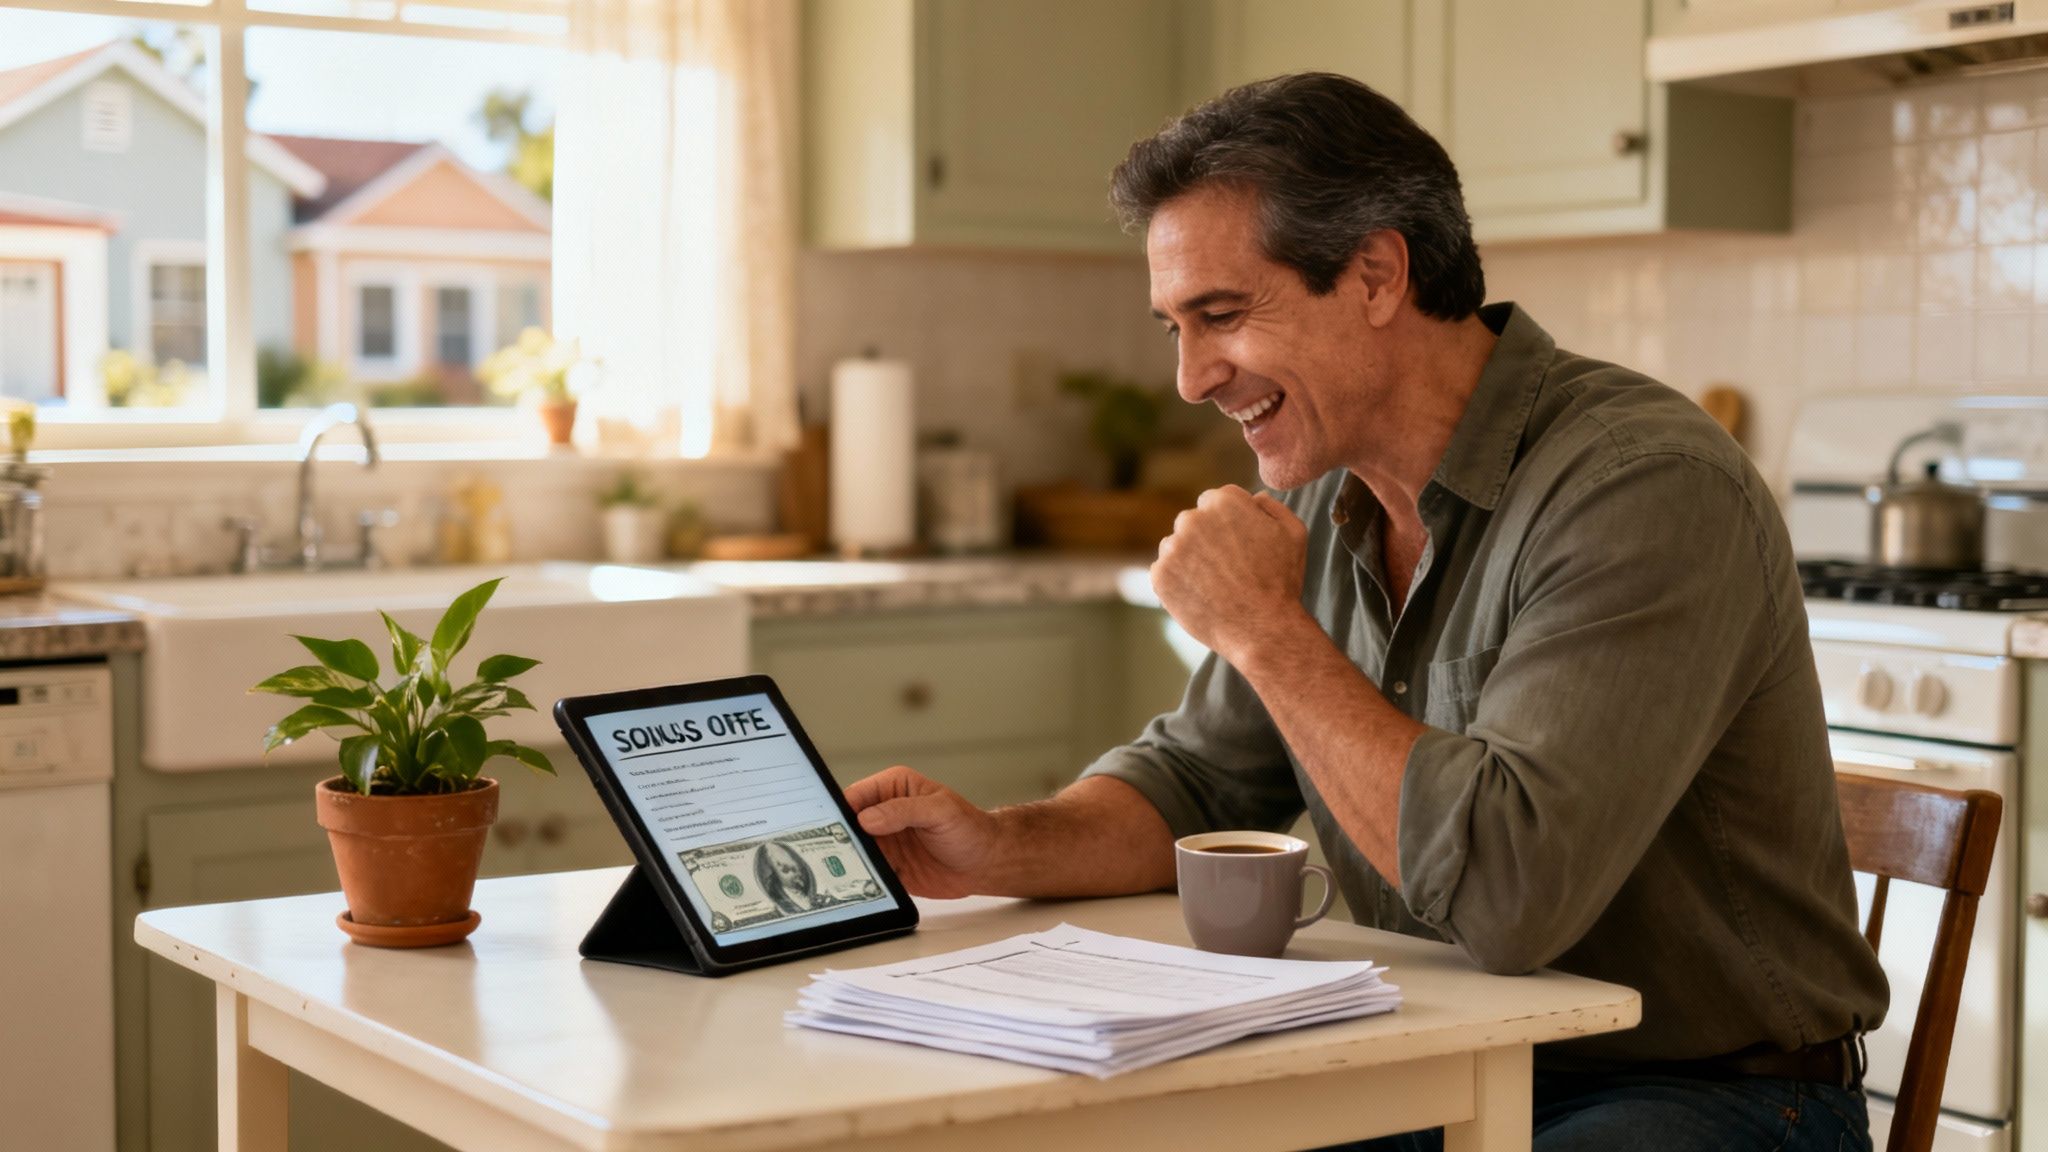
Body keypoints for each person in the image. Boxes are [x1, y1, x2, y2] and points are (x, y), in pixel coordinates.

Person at [843, 72, 1888, 1151]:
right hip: (1433, 1057)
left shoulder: (1644, 487)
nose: (1190, 377)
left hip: (1709, 1096)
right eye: (1172, 326)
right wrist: (999, 848)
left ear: (1376, 274)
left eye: (1220, 315)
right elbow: (1197, 782)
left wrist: (1262, 628)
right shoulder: (1317, 491)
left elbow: (1508, 899)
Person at [754, 841, 818, 916]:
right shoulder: (779, 901)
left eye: (796, 869)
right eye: (786, 870)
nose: (796, 874)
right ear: (775, 874)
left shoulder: (811, 894)